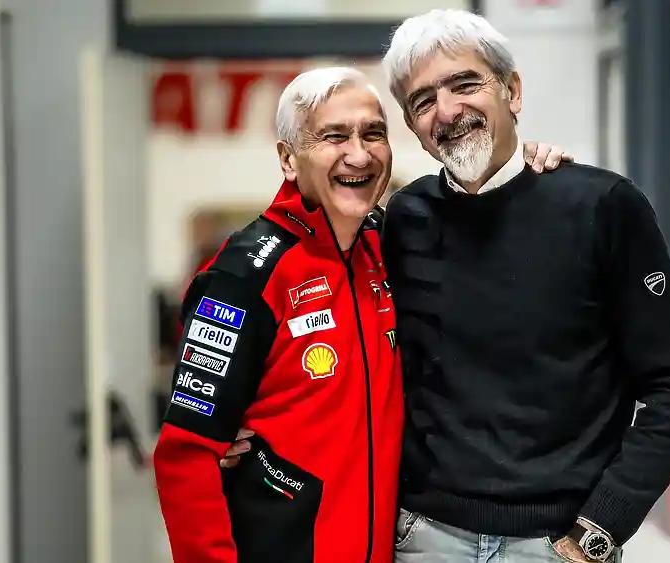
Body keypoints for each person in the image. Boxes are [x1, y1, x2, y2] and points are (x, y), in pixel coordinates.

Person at [154, 66, 568, 563]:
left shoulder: (390, 245)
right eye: (334, 136)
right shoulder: (246, 274)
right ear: (288, 158)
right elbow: (186, 456)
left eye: (373, 133)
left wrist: (525, 168)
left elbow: (480, 220)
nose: (359, 154)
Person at [378, 10, 670, 562]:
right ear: (414, 126)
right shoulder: (404, 220)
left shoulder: (604, 207)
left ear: (512, 91)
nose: (448, 110)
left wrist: (600, 528)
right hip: (424, 541)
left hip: (557, 545)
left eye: (465, 84)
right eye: (423, 101)